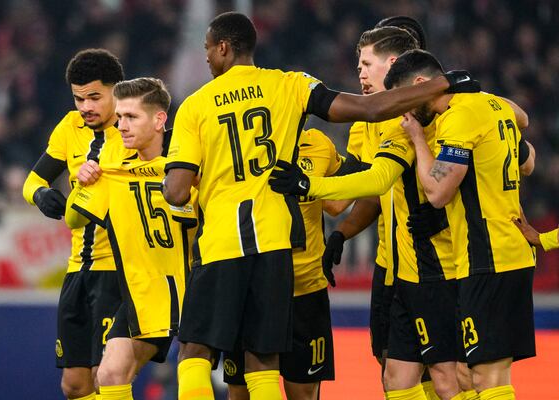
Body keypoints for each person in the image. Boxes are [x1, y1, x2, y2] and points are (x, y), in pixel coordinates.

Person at [162, 11, 478, 400]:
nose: (207, 59)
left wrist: (173, 179)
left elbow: (176, 192)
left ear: (223, 48)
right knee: (264, 363)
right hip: (277, 248)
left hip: (223, 245)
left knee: (194, 351)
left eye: (208, 50)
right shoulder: (291, 84)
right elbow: (368, 111)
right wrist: (442, 83)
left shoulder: (196, 105)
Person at [269, 26, 463, 400]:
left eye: (366, 63)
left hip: (440, 263)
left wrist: (310, 185)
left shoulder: (432, 116)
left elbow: (482, 169)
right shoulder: (365, 125)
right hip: (391, 268)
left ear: (392, 64)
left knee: (450, 375)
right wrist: (342, 233)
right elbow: (370, 193)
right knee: (393, 373)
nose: (359, 72)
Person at [386, 49, 536, 400]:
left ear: (422, 85)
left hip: (487, 258)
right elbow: (527, 143)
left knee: (486, 378)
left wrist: (419, 140)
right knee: (484, 374)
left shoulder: (459, 117)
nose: (405, 109)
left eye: (406, 98)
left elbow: (437, 191)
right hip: (512, 254)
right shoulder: (492, 105)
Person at [64, 77, 198, 400]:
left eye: (131, 117)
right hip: (138, 292)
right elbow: (73, 219)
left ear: (159, 120)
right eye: (119, 117)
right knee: (108, 374)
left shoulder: (188, 165)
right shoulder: (110, 167)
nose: (121, 126)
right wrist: (82, 184)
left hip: (184, 287)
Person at [22, 49, 125, 400]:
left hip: (118, 270)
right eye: (79, 98)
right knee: (75, 385)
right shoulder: (71, 127)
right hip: (77, 269)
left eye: (94, 97)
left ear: (118, 90)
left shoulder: (134, 127)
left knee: (105, 374)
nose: (85, 107)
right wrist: (40, 196)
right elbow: (33, 180)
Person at [224, 128, 342, 400]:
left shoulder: (318, 141)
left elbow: (335, 203)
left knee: (302, 392)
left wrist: (341, 231)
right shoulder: (240, 140)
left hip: (305, 287)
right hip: (250, 288)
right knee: (242, 392)